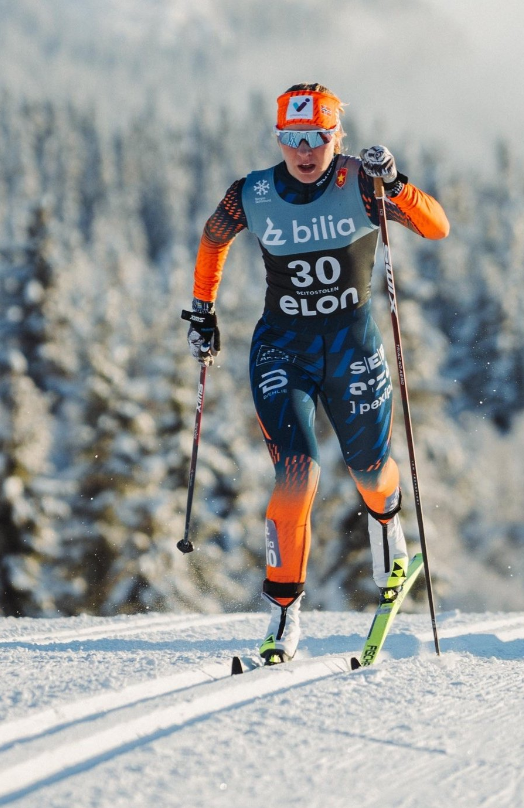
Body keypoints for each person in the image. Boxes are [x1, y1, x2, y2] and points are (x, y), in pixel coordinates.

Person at [184, 83, 449, 663]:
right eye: (293, 139)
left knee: (370, 471)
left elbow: (435, 227)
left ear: (338, 137)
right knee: (296, 475)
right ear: (279, 138)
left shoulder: (360, 181)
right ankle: (283, 618)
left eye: (318, 138)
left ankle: (389, 530)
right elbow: (212, 238)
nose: (305, 152)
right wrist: (203, 310)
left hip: (351, 345)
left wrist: (396, 185)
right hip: (282, 348)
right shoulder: (252, 193)